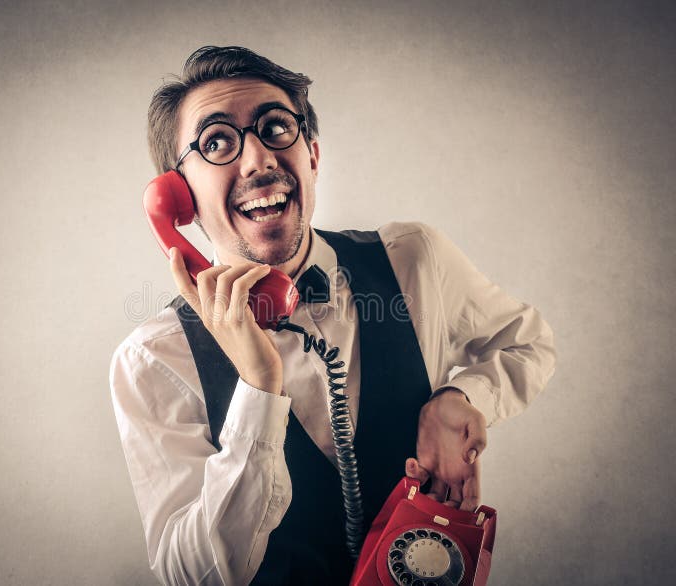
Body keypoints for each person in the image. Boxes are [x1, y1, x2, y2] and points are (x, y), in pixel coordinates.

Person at [110, 46, 556, 585]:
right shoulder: (153, 359)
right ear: (179, 197)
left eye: (276, 128)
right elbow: (192, 576)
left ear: (313, 157)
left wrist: (462, 398)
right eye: (217, 142)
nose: (258, 161)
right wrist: (258, 390)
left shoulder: (413, 258)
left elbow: (528, 342)